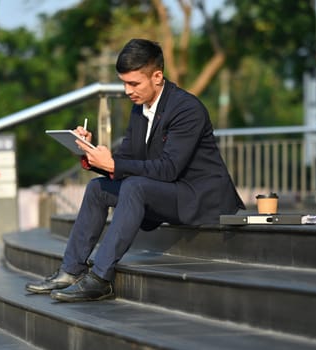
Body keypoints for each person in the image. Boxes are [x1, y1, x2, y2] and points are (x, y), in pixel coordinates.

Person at [25, 38, 245, 302]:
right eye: (124, 82)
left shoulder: (187, 108)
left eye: (134, 83)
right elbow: (128, 159)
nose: (127, 90)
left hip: (198, 198)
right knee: (97, 189)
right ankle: (71, 271)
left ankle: (100, 279)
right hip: (166, 191)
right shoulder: (140, 110)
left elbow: (168, 169)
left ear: (157, 76)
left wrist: (115, 164)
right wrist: (91, 154)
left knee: (134, 186)